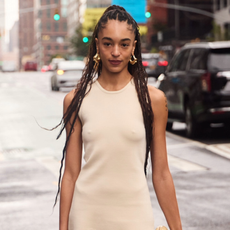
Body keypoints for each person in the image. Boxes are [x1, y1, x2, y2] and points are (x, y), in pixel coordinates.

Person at [56, 5, 182, 230]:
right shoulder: (75, 100)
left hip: (135, 216)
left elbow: (161, 173)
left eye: (124, 44)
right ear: (97, 45)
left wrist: (177, 228)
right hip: (86, 216)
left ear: (134, 46)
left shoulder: (153, 100)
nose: (116, 52)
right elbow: (71, 173)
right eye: (108, 43)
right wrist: (63, 228)